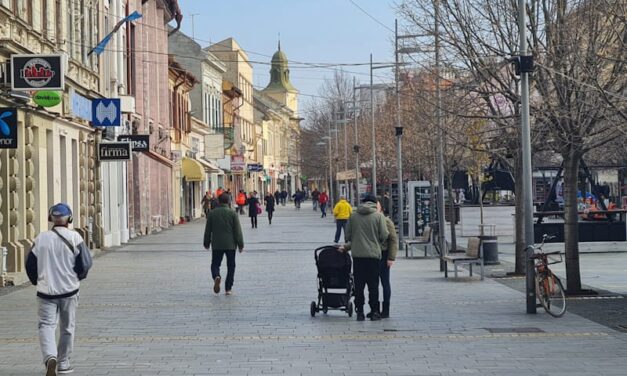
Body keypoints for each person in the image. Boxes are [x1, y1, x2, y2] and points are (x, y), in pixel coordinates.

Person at [26, 203, 93, 375]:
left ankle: (50, 357)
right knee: (67, 327)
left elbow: (30, 265)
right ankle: (63, 362)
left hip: (45, 291)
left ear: (51, 219)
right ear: (69, 219)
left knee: (46, 325)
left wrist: (37, 281)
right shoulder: (75, 238)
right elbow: (85, 263)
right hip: (69, 291)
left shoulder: (41, 238)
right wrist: (77, 277)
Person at [341, 194, 388, 321]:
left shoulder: (353, 216)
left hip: (358, 256)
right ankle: (374, 312)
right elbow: (384, 235)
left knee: (359, 285)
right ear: (374, 203)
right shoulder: (379, 217)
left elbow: (348, 236)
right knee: (373, 286)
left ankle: (360, 312)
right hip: (373, 256)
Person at [204, 193, 244, 296]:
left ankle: (216, 276)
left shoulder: (212, 214)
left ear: (218, 201)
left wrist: (206, 243)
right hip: (230, 245)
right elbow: (237, 230)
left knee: (215, 264)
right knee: (231, 266)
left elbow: (208, 230)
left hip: (217, 244)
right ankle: (228, 288)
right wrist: (240, 244)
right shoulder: (233, 213)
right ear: (228, 202)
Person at [375, 202, 397, 319]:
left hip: (384, 255)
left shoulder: (386, 221)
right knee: (374, 284)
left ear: (381, 208)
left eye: (376, 206)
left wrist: (391, 257)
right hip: (373, 255)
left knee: (385, 283)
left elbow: (393, 240)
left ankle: (386, 309)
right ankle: (375, 309)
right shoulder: (371, 220)